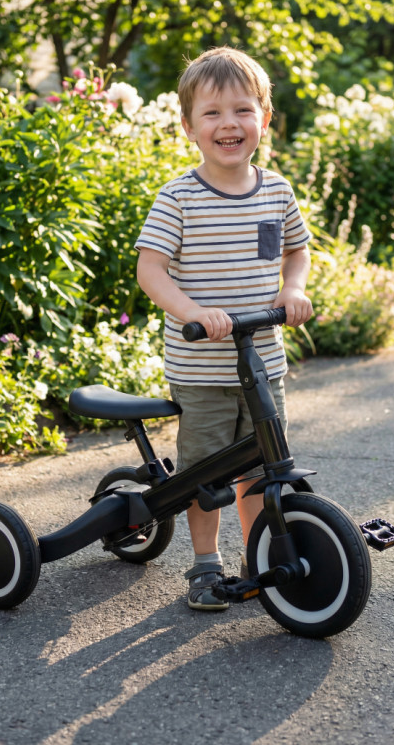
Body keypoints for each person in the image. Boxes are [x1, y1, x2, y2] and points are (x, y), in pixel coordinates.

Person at [135, 46, 313, 611]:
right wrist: (191, 311)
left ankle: (258, 555)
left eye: (242, 110)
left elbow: (297, 251)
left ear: (265, 118)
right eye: (212, 113)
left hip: (263, 364)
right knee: (205, 474)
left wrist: (292, 289)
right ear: (189, 127)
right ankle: (206, 564)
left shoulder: (276, 190)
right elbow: (150, 270)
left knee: (261, 470)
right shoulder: (179, 197)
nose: (228, 124)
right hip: (203, 368)